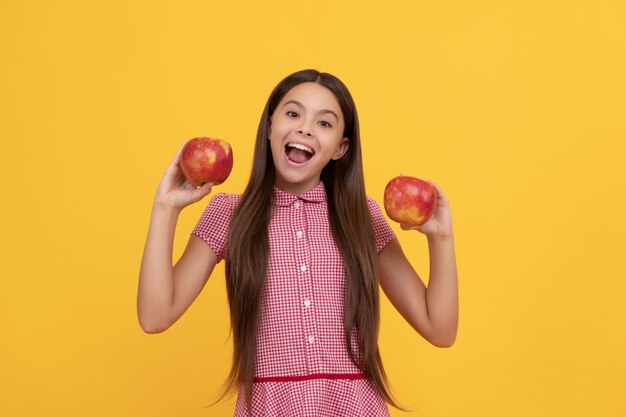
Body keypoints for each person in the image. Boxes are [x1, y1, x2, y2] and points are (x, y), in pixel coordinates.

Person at [137, 69, 458, 416]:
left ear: (340, 148)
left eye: (324, 123)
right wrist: (165, 208)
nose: (305, 128)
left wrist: (441, 238)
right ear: (270, 127)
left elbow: (439, 329)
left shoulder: (361, 217)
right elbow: (155, 316)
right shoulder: (230, 214)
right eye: (293, 114)